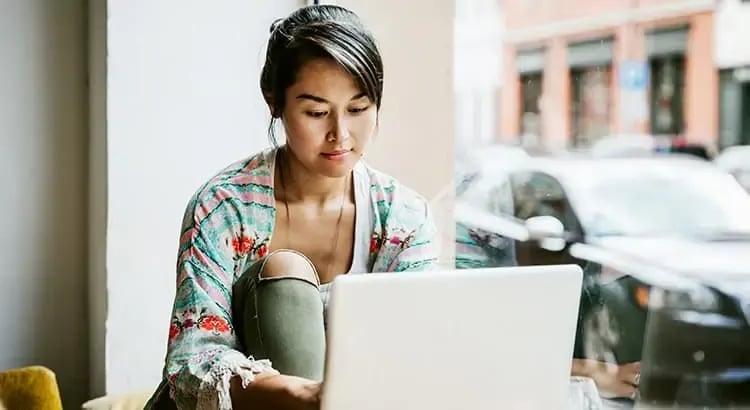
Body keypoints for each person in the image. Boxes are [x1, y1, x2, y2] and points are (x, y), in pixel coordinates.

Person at [145, 5, 437, 409]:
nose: (340, 134)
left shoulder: (403, 216)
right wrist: (306, 395)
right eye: (316, 112)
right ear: (274, 102)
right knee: (286, 271)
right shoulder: (223, 207)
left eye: (358, 109)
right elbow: (191, 362)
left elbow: (415, 343)